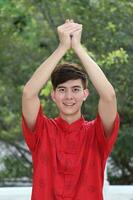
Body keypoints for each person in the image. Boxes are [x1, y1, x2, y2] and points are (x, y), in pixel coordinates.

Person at [22, 19, 120, 200]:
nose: (69, 97)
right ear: (53, 95)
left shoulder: (97, 134)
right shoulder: (41, 130)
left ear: (85, 94)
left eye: (75, 90)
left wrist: (77, 47)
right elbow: (28, 93)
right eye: (62, 90)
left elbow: (109, 97)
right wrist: (62, 47)